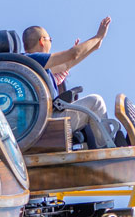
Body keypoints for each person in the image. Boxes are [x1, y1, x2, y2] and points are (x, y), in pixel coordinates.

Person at [22, 17, 118, 148]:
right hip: (48, 123)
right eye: (50, 39)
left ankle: (102, 144)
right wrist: (98, 36)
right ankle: (108, 147)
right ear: (42, 41)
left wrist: (93, 47)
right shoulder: (35, 59)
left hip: (42, 123)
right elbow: (73, 54)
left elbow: (67, 63)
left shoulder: (29, 64)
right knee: (96, 102)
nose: (51, 42)